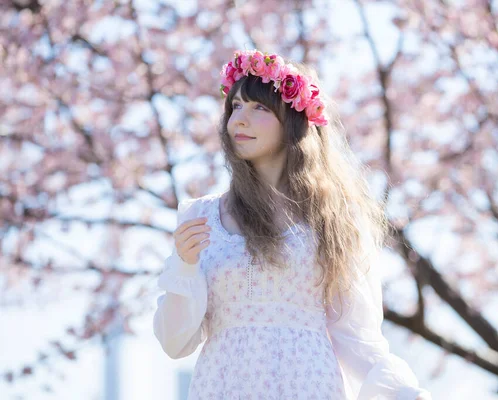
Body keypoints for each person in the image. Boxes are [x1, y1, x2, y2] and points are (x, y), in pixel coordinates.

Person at [153, 49, 432, 400]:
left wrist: (404, 392)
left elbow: (355, 336)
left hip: (307, 386)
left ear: (293, 122)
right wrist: (184, 266)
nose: (240, 119)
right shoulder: (202, 217)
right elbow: (174, 342)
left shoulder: (333, 218)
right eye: (235, 107)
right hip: (224, 386)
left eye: (259, 108)